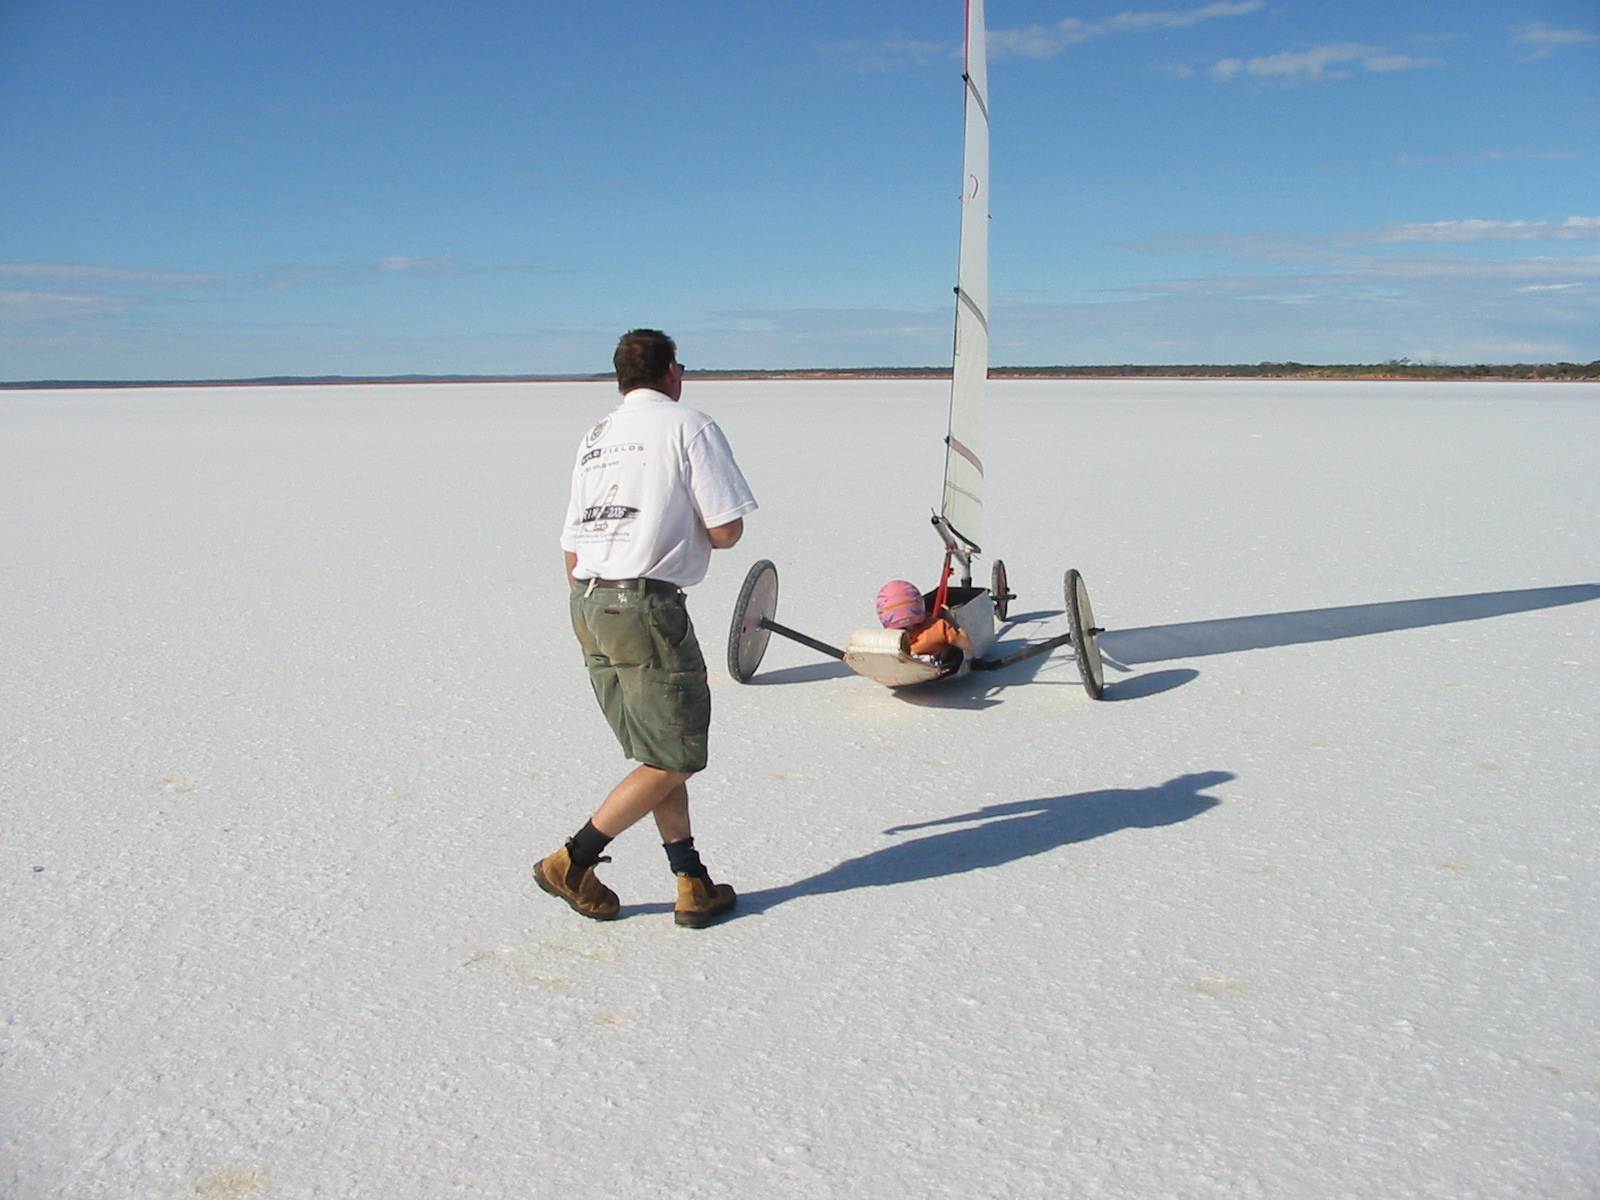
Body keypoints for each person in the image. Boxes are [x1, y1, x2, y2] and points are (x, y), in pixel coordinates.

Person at [536, 329, 757, 929]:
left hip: (588, 604)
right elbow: (727, 531)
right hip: (644, 608)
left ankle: (691, 882)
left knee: (657, 752)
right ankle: (572, 861)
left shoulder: (596, 437)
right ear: (671, 372)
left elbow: (571, 547)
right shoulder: (689, 426)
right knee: (675, 757)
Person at [875, 578, 973, 666]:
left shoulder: (886, 641)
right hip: (935, 666)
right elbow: (967, 644)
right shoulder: (938, 628)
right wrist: (951, 621)